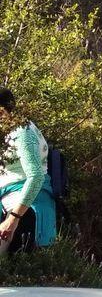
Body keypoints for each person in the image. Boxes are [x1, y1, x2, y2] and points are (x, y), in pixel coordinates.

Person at [0, 88, 56, 255]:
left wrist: (13, 219)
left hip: (23, 208)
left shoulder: (22, 132)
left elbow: (36, 176)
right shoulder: (9, 130)